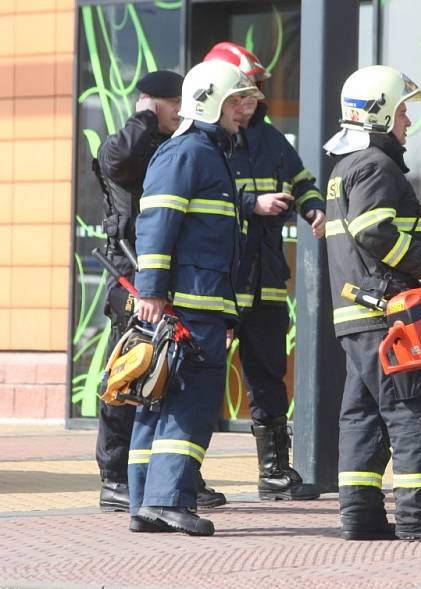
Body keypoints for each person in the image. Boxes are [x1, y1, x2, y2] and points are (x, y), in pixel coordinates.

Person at [323, 65, 421, 542]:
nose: (408, 122)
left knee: (363, 415)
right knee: (418, 408)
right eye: (403, 111)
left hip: (359, 319)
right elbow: (373, 231)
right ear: (381, 113)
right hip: (388, 316)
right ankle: (419, 515)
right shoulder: (374, 164)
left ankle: (361, 516)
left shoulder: (347, 166)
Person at [127, 60, 263, 536]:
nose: (242, 110)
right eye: (235, 101)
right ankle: (167, 500)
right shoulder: (190, 153)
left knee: (158, 398)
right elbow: (157, 226)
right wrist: (152, 292)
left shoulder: (204, 152)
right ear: (209, 102)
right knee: (188, 403)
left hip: (195, 302)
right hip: (189, 304)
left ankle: (146, 502)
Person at [94, 70, 225, 512]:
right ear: (151, 103)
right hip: (134, 280)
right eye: (171, 104)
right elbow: (119, 161)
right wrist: (145, 118)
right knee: (130, 376)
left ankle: (173, 482)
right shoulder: (128, 144)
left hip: (159, 279)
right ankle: (114, 478)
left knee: (165, 383)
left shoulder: (176, 148)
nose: (180, 112)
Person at [203, 42, 325, 501]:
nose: (251, 98)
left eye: (254, 90)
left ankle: (274, 473)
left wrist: (312, 209)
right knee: (201, 379)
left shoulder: (272, 140)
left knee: (269, 374)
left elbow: (302, 182)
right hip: (219, 282)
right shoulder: (204, 140)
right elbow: (200, 200)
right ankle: (184, 476)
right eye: (242, 90)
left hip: (266, 281)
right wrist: (251, 205)